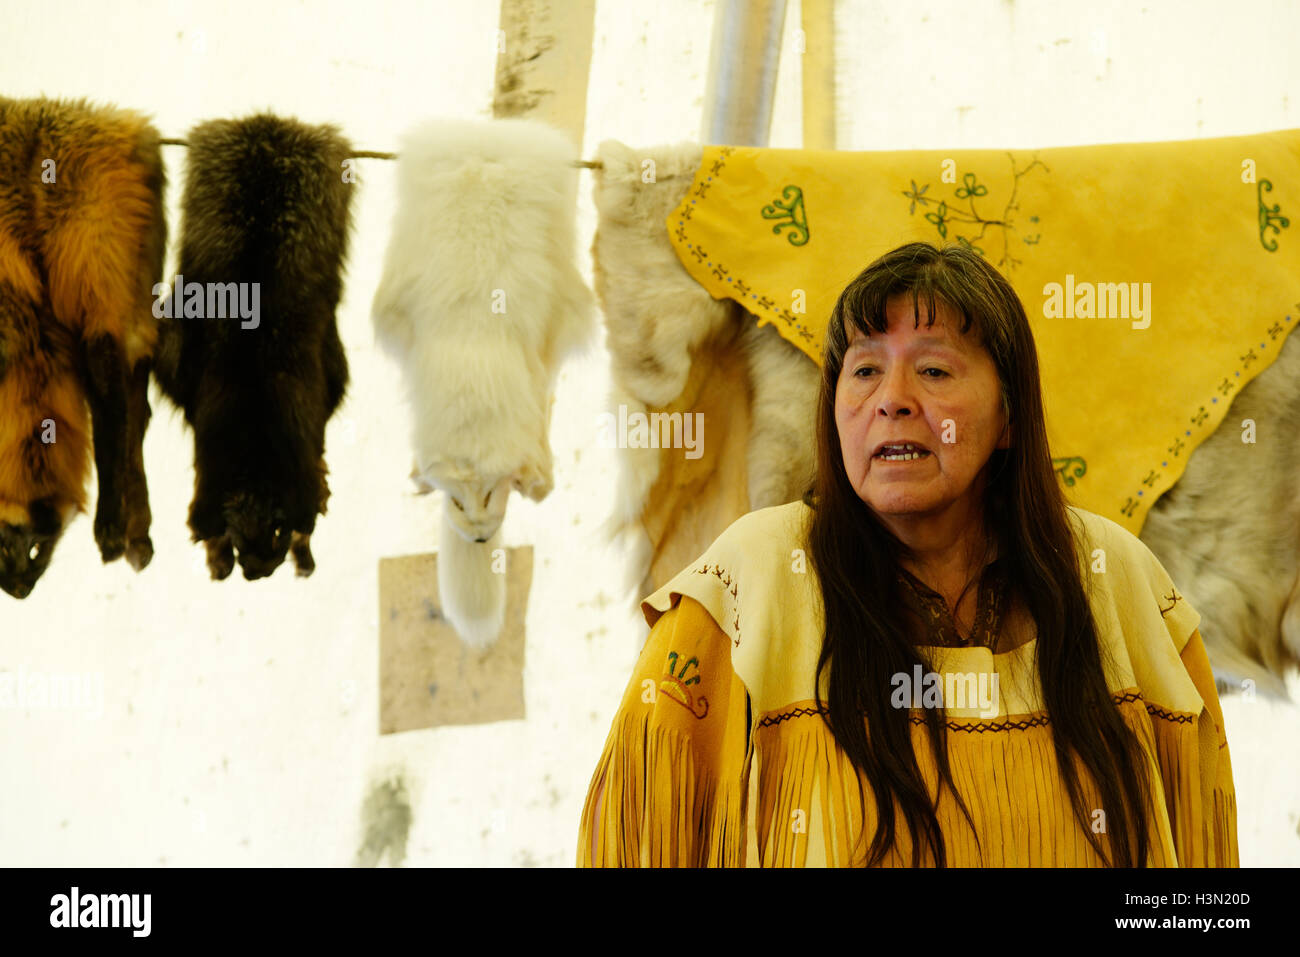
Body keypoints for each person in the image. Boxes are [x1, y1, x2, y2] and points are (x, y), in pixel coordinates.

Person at [577, 241, 1239, 867]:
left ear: (1008, 415)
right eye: (864, 369)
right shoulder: (750, 582)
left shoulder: (1117, 581)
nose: (891, 400)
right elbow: (635, 837)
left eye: (933, 369)